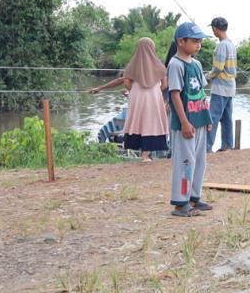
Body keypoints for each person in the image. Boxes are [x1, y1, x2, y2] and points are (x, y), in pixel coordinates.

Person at [87, 36, 170, 161]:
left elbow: (126, 82)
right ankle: (146, 155)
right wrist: (154, 92)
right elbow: (164, 85)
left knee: (138, 122)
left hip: (137, 96)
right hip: (154, 96)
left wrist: (135, 91)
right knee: (150, 123)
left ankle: (142, 153)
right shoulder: (159, 66)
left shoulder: (132, 65)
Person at [167, 22, 214, 217]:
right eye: (195, 41)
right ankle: (181, 202)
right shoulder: (175, 64)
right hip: (185, 123)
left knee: (200, 161)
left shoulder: (196, 64)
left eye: (200, 41)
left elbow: (202, 92)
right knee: (185, 162)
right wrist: (184, 121)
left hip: (200, 119)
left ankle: (195, 196)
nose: (199, 45)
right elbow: (175, 94)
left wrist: (208, 117)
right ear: (181, 41)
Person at [207, 16, 238, 152]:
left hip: (220, 88)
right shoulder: (231, 44)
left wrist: (208, 77)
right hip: (230, 87)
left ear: (215, 29)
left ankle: (207, 147)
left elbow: (218, 68)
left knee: (212, 118)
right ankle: (227, 145)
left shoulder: (221, 46)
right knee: (226, 118)